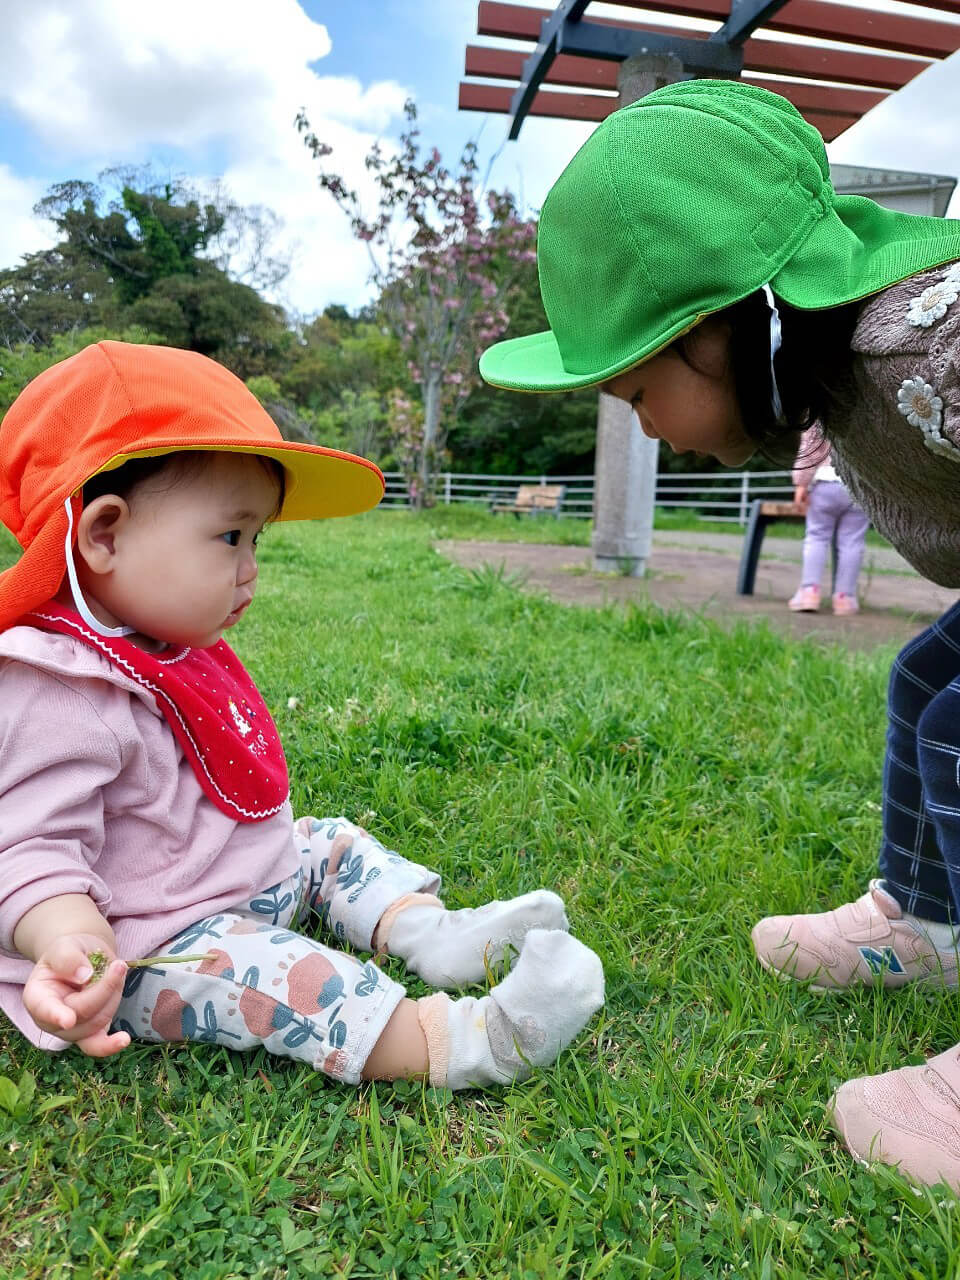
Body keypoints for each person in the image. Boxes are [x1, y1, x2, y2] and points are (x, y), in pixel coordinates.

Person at [478, 78, 960, 1187]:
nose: (641, 421)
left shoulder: (925, 347)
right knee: (928, 682)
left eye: (637, 388)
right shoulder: (836, 365)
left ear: (715, 329)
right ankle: (925, 918)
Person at [0, 340, 604, 1090]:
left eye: (257, 538)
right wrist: (72, 940)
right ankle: (469, 1041)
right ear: (105, 534)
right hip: (160, 944)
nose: (251, 565)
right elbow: (26, 852)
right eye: (230, 536)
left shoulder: (166, 643)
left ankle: (433, 935)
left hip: (249, 876)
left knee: (326, 843)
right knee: (285, 980)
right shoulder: (58, 684)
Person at [787, 424, 870, 616]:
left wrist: (801, 484)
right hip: (859, 487)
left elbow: (810, 447)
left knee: (816, 537)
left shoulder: (820, 406)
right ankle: (845, 598)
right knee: (853, 542)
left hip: (825, 482)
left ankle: (809, 592)